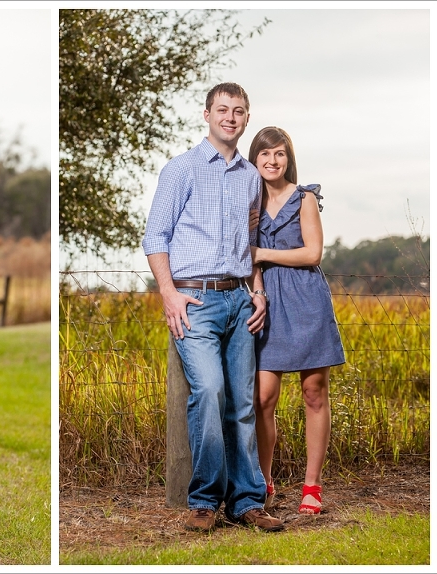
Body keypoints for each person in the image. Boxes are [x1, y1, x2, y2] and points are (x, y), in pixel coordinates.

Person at [142, 82, 284, 532]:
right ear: (206, 115)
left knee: (241, 403)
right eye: (222, 110)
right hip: (194, 301)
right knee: (208, 392)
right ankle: (203, 500)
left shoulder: (250, 178)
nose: (231, 117)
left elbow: (253, 244)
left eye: (239, 111)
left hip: (241, 301)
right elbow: (155, 238)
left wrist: (257, 292)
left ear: (246, 118)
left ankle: (247, 502)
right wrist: (168, 293)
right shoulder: (180, 170)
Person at [247, 126, 345, 515]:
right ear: (254, 159)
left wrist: (262, 253)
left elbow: (313, 254)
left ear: (289, 159)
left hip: (306, 299)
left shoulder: (304, 198)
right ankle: (263, 483)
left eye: (280, 154)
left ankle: (312, 487)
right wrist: (257, 289)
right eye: (265, 154)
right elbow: (245, 257)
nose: (273, 161)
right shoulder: (248, 200)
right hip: (266, 302)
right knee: (263, 398)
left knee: (314, 393)